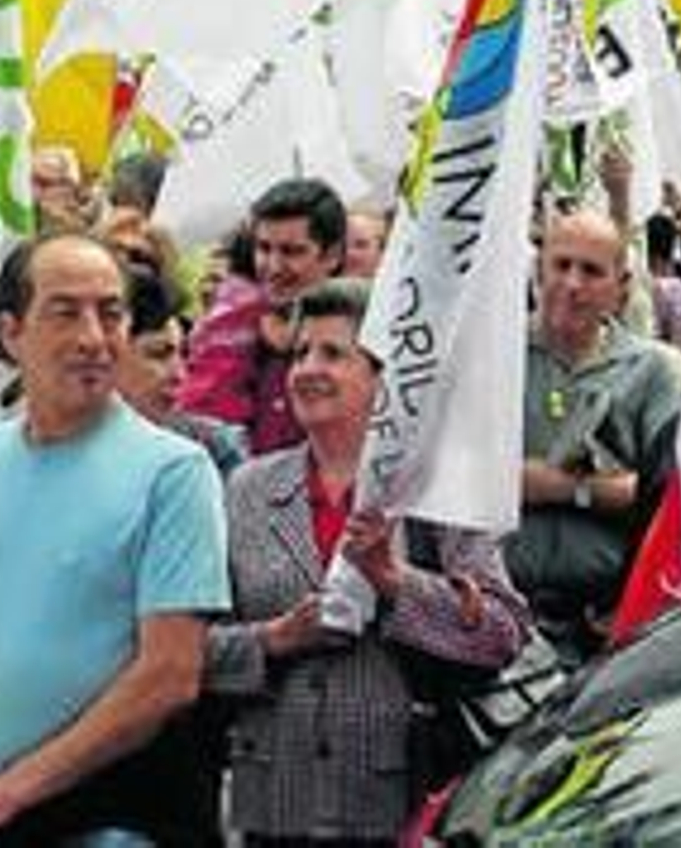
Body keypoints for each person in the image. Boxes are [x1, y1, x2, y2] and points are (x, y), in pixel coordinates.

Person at [0, 233, 229, 847]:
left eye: (111, 312)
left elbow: (169, 673)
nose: (93, 337)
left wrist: (5, 793)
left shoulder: (175, 472)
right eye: (65, 311)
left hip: (120, 815)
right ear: (10, 331)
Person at [205, 278, 529, 844]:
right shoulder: (247, 490)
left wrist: (394, 583)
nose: (307, 369)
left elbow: (503, 634)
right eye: (300, 352)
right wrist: (276, 639)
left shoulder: (436, 492)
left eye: (334, 353)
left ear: (386, 378)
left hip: (395, 804)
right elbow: (191, 652)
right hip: (274, 808)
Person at [507, 206, 681, 661]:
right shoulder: (493, 356)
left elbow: (666, 499)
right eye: (560, 265)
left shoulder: (655, 371)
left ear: (622, 289)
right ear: (537, 270)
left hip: (606, 625)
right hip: (501, 619)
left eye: (591, 271)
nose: (571, 284)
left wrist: (561, 488)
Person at [178, 177, 346, 454]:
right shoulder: (228, 327)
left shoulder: (366, 336)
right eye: (264, 248)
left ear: (333, 255)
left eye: (292, 251)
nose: (273, 266)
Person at [112, 264, 244, 478]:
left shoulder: (215, 448)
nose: (179, 375)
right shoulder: (51, 448)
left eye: (183, 354)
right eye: (159, 354)